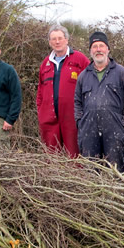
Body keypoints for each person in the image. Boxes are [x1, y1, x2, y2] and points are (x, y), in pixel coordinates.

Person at [74, 32, 124, 172]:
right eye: (94, 46)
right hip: (88, 132)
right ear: (90, 51)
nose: (98, 49)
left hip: (115, 131)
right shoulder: (83, 76)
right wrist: (81, 122)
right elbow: (77, 102)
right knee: (90, 172)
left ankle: (115, 193)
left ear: (108, 49)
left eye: (101, 46)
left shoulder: (122, 73)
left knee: (115, 172)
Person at [37, 25, 90, 155]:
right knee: (52, 158)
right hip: (50, 121)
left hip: (72, 119)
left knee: (74, 157)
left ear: (66, 40)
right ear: (49, 42)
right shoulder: (45, 64)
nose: (57, 41)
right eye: (53, 39)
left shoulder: (80, 59)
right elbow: (40, 92)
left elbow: (91, 86)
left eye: (60, 38)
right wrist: (41, 112)